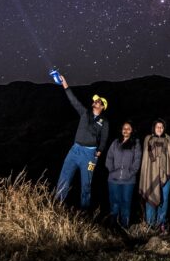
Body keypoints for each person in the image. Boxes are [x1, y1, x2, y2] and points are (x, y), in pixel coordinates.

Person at [55, 75, 110, 208]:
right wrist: (65, 85)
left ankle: (84, 213)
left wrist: (100, 151)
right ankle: (56, 206)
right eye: (95, 101)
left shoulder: (105, 122)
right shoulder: (85, 113)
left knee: (86, 184)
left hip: (89, 155)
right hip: (75, 150)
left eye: (98, 102)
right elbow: (73, 100)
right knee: (63, 179)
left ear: (102, 107)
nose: (95, 102)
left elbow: (104, 138)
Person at [140, 119, 170, 231]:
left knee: (164, 200)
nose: (160, 129)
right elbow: (147, 158)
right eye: (157, 127)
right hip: (151, 174)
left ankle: (161, 224)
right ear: (154, 128)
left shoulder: (168, 139)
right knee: (150, 197)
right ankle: (150, 226)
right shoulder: (148, 139)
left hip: (166, 174)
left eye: (162, 127)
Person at [105, 121, 141, 228]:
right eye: (124, 128)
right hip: (113, 180)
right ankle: (113, 226)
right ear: (121, 130)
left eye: (128, 128)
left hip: (128, 180)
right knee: (114, 203)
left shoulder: (136, 143)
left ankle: (124, 227)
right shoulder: (115, 143)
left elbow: (137, 161)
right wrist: (112, 171)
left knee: (126, 203)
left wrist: (130, 173)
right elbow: (109, 158)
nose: (125, 130)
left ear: (132, 131)